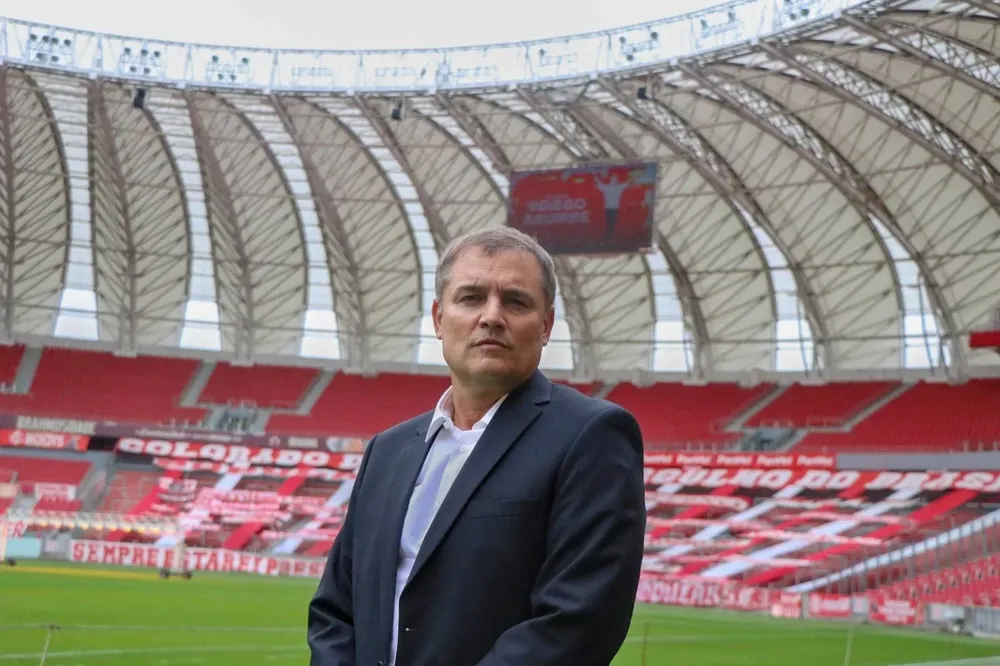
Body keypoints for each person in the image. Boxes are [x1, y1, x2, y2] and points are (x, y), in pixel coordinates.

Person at [307, 226, 647, 666]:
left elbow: (577, 621)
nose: (491, 316)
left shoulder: (591, 435)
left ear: (545, 325)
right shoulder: (387, 452)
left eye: (515, 301)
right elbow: (336, 608)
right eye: (470, 298)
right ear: (438, 319)